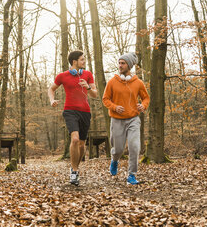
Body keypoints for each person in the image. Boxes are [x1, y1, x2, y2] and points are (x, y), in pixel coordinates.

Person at [48, 50, 98, 186]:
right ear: (74, 61)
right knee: (75, 139)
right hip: (70, 111)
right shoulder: (62, 76)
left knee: (82, 144)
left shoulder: (87, 74)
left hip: (85, 112)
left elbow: (95, 94)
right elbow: (51, 89)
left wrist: (88, 87)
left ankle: (76, 166)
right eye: (82, 59)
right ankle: (74, 171)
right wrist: (52, 100)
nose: (84, 61)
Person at [102, 52, 149, 185]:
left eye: (123, 63)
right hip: (117, 119)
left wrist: (143, 106)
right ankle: (114, 160)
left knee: (134, 146)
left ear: (129, 65)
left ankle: (131, 175)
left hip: (133, 118)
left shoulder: (138, 83)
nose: (120, 65)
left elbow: (146, 98)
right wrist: (114, 107)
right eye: (119, 63)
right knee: (118, 149)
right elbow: (105, 99)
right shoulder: (112, 82)